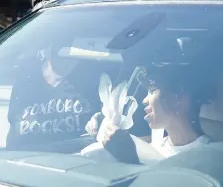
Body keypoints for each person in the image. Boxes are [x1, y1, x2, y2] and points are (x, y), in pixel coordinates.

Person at [5, 0, 102, 150]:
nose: (45, 32)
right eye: (38, 26)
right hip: (24, 170)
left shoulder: (92, 73)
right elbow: (13, 134)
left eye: (52, 24)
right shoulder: (27, 78)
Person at [81, 64, 215, 164]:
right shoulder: (154, 144)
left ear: (177, 99)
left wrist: (130, 160)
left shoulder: (209, 157)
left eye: (152, 91)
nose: (145, 100)